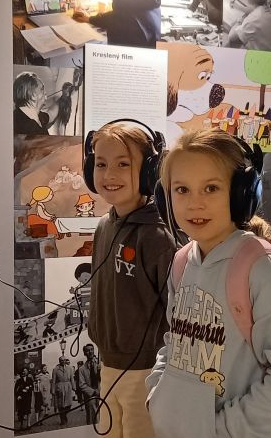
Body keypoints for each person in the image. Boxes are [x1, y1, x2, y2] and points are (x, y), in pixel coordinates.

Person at [146, 129, 271, 437]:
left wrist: (222, 429)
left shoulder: (260, 270)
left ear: (242, 193)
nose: (195, 203)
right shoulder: (183, 262)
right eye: (182, 190)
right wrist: (159, 395)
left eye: (211, 188)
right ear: (165, 198)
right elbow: (176, 342)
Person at [87, 120, 177, 437]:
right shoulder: (104, 226)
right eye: (101, 164)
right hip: (109, 364)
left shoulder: (158, 236)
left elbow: (176, 311)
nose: (109, 174)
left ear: (151, 171)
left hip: (146, 372)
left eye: (123, 164)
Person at [72, 0, 161, 47]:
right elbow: (112, 17)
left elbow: (117, 18)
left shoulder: (124, 15)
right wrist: (89, 18)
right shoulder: (146, 0)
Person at [77, 343, 102, 425]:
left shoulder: (101, 364)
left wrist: (101, 371)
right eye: (87, 350)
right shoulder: (82, 369)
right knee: (92, 418)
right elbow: (82, 384)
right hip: (90, 396)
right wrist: (93, 392)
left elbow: (107, 378)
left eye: (92, 349)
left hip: (102, 394)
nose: (90, 352)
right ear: (84, 353)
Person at [52, 356, 75, 425]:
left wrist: (74, 387)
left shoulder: (70, 368)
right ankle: (62, 419)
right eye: (61, 360)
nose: (63, 361)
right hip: (59, 387)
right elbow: (53, 381)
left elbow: (72, 379)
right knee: (60, 405)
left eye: (64, 360)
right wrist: (53, 390)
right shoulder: (56, 369)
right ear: (59, 361)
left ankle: (64, 415)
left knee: (69, 404)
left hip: (68, 387)